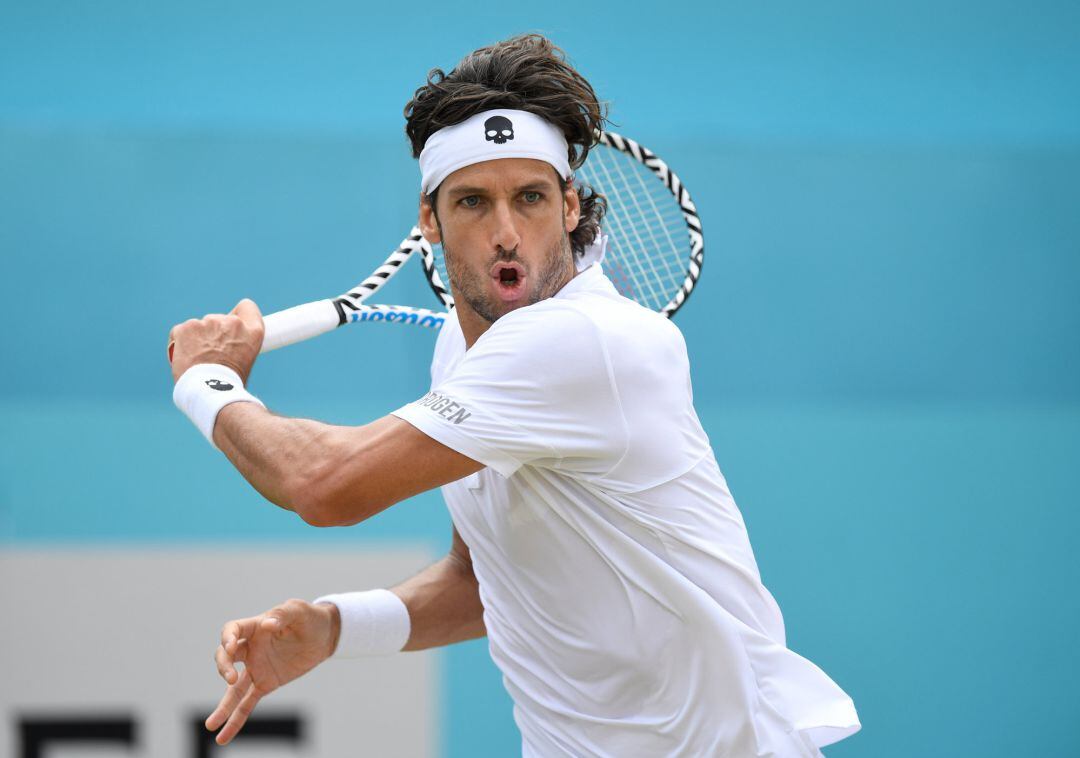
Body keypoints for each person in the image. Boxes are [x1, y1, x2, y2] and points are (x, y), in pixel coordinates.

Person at [168, 34, 861, 757]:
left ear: (568, 206)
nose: (505, 234)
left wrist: (206, 382)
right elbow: (482, 579)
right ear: (429, 221)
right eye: (472, 202)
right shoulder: (463, 353)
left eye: (529, 198)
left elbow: (324, 485)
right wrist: (337, 627)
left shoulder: (584, 341)